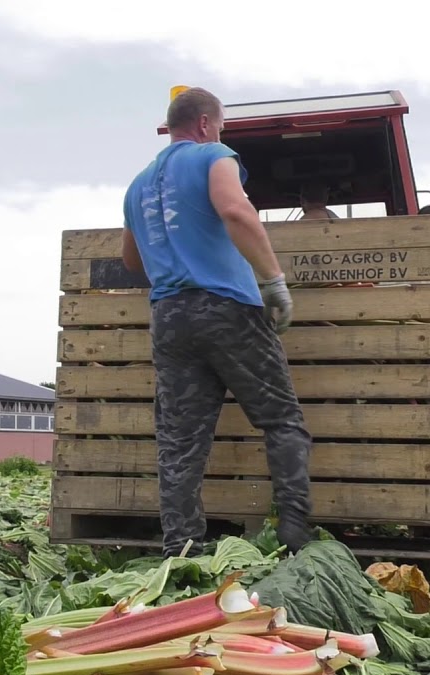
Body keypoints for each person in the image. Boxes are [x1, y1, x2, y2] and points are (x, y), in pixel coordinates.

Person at [121, 86, 313, 558]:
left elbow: (131, 260)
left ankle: (181, 549)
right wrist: (273, 281)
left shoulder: (137, 185)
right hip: (228, 308)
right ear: (206, 124)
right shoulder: (213, 155)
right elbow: (234, 210)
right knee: (281, 420)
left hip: (169, 317)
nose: (222, 133)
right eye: (221, 126)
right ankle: (294, 535)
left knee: (180, 442)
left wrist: (174, 258)